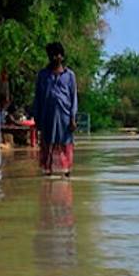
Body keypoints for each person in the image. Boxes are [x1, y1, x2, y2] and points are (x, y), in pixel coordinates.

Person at [32, 42, 78, 177]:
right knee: (47, 143)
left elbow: (73, 97)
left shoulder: (69, 75)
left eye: (57, 55)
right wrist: (37, 118)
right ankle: (48, 173)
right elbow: (38, 97)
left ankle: (66, 172)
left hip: (65, 117)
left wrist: (73, 118)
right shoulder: (43, 75)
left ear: (62, 56)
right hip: (47, 116)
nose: (54, 58)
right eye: (51, 55)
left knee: (65, 144)